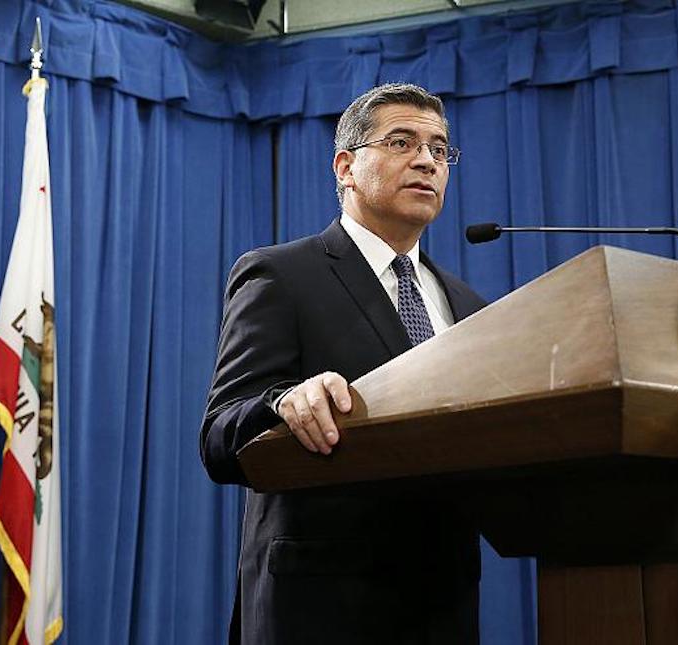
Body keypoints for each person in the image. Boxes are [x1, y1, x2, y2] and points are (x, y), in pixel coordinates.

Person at [201, 83, 488, 644]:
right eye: (402, 142)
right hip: (321, 606)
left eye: (439, 149)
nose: (426, 161)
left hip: (443, 602)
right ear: (346, 167)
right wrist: (282, 403)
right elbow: (219, 436)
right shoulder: (281, 275)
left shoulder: (467, 304)